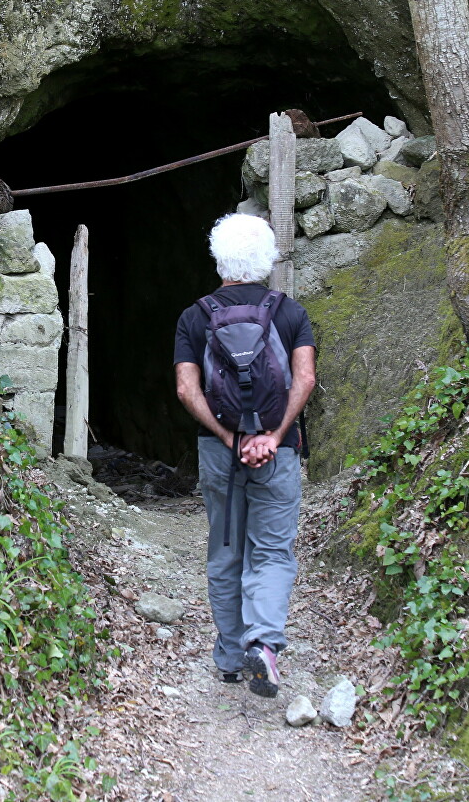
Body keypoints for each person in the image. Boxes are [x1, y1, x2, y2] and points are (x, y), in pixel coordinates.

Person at [173, 213, 316, 697]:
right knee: (272, 551)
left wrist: (231, 438)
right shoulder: (290, 312)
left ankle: (232, 657)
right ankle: (265, 644)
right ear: (267, 260)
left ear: (219, 258)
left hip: (220, 451)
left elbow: (187, 390)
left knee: (227, 547)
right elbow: (305, 378)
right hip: (280, 451)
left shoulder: (195, 316)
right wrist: (273, 436)